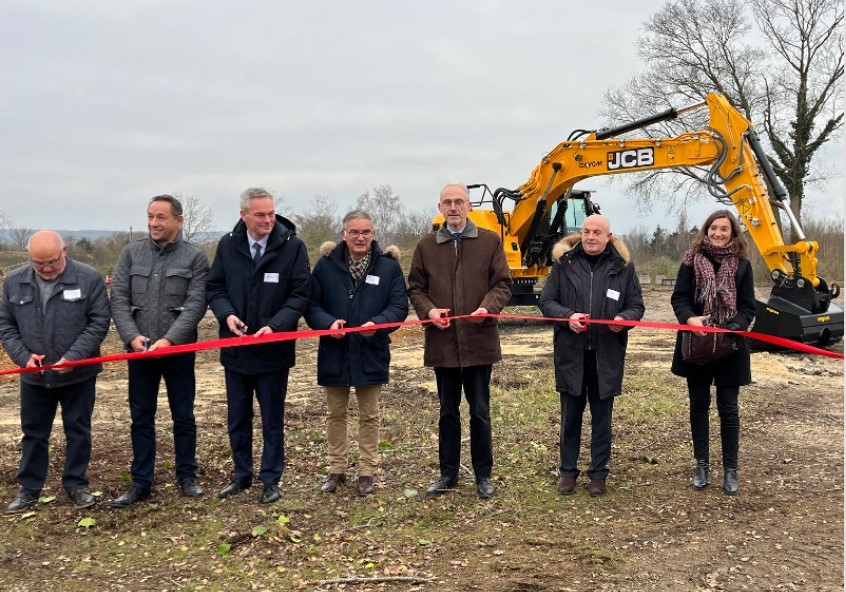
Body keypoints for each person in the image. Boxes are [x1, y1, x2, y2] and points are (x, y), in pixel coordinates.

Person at [206, 187, 311, 504]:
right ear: (244, 215)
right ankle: (241, 475)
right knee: (237, 417)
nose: (268, 220)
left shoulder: (293, 248)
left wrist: (276, 325)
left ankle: (270, 479)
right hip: (236, 350)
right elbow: (215, 287)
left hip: (273, 352)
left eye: (271, 213)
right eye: (261, 214)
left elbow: (300, 295)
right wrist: (227, 316)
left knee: (272, 419)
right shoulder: (227, 245)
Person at [408, 182, 512, 499]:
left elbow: (503, 284)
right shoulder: (426, 247)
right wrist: (429, 311)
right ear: (440, 208)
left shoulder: (490, 242)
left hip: (479, 342)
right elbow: (415, 289)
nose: (454, 207)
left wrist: (487, 308)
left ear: (468, 207)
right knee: (447, 412)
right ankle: (448, 474)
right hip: (443, 344)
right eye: (447, 202)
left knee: (480, 411)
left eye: (459, 202)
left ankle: (483, 475)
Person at [109, 195, 210, 507]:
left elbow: (196, 304)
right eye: (150, 216)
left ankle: (186, 476)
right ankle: (141, 481)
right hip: (139, 352)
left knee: (183, 415)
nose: (154, 223)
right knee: (140, 417)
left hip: (177, 352)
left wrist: (170, 339)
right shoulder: (130, 253)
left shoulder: (195, 258)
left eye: (161, 217)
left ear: (178, 221)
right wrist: (131, 336)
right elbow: (119, 299)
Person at [0, 231, 110, 513]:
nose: (47, 268)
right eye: (39, 263)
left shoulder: (89, 278)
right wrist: (23, 357)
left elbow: (98, 323)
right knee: (34, 432)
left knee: (78, 429)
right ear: (29, 258)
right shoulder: (14, 282)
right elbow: (6, 325)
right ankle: (29, 488)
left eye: (52, 261)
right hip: (34, 377)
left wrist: (74, 357)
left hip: (78, 375)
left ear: (65, 250)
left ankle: (76, 484)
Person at [538, 214, 644, 497]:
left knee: (601, 420)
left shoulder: (623, 268)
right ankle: (567, 473)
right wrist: (567, 316)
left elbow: (636, 306)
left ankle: (598, 474)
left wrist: (623, 318)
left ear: (608, 236)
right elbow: (546, 302)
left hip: (605, 355)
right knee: (569, 418)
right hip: (571, 354)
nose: (590, 237)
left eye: (597, 232)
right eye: (586, 231)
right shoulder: (564, 265)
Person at [305, 210, 409, 496]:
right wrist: (327, 323)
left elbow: (399, 306)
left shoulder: (388, 268)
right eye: (354, 232)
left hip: (370, 350)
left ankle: (367, 471)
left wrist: (377, 324)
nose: (360, 237)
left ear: (373, 234)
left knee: (369, 415)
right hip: (334, 351)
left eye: (365, 232)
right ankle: (336, 469)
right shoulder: (325, 267)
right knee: (335, 414)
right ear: (344, 234)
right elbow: (311, 304)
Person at [671, 210, 755, 496]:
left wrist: (735, 325)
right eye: (714, 228)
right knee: (699, 404)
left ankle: (731, 470)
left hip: (730, 346)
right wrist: (689, 319)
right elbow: (679, 298)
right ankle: (702, 465)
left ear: (733, 233)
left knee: (729, 409)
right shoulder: (690, 260)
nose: (718, 233)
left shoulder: (743, 265)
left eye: (724, 229)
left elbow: (748, 307)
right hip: (698, 343)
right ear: (706, 231)